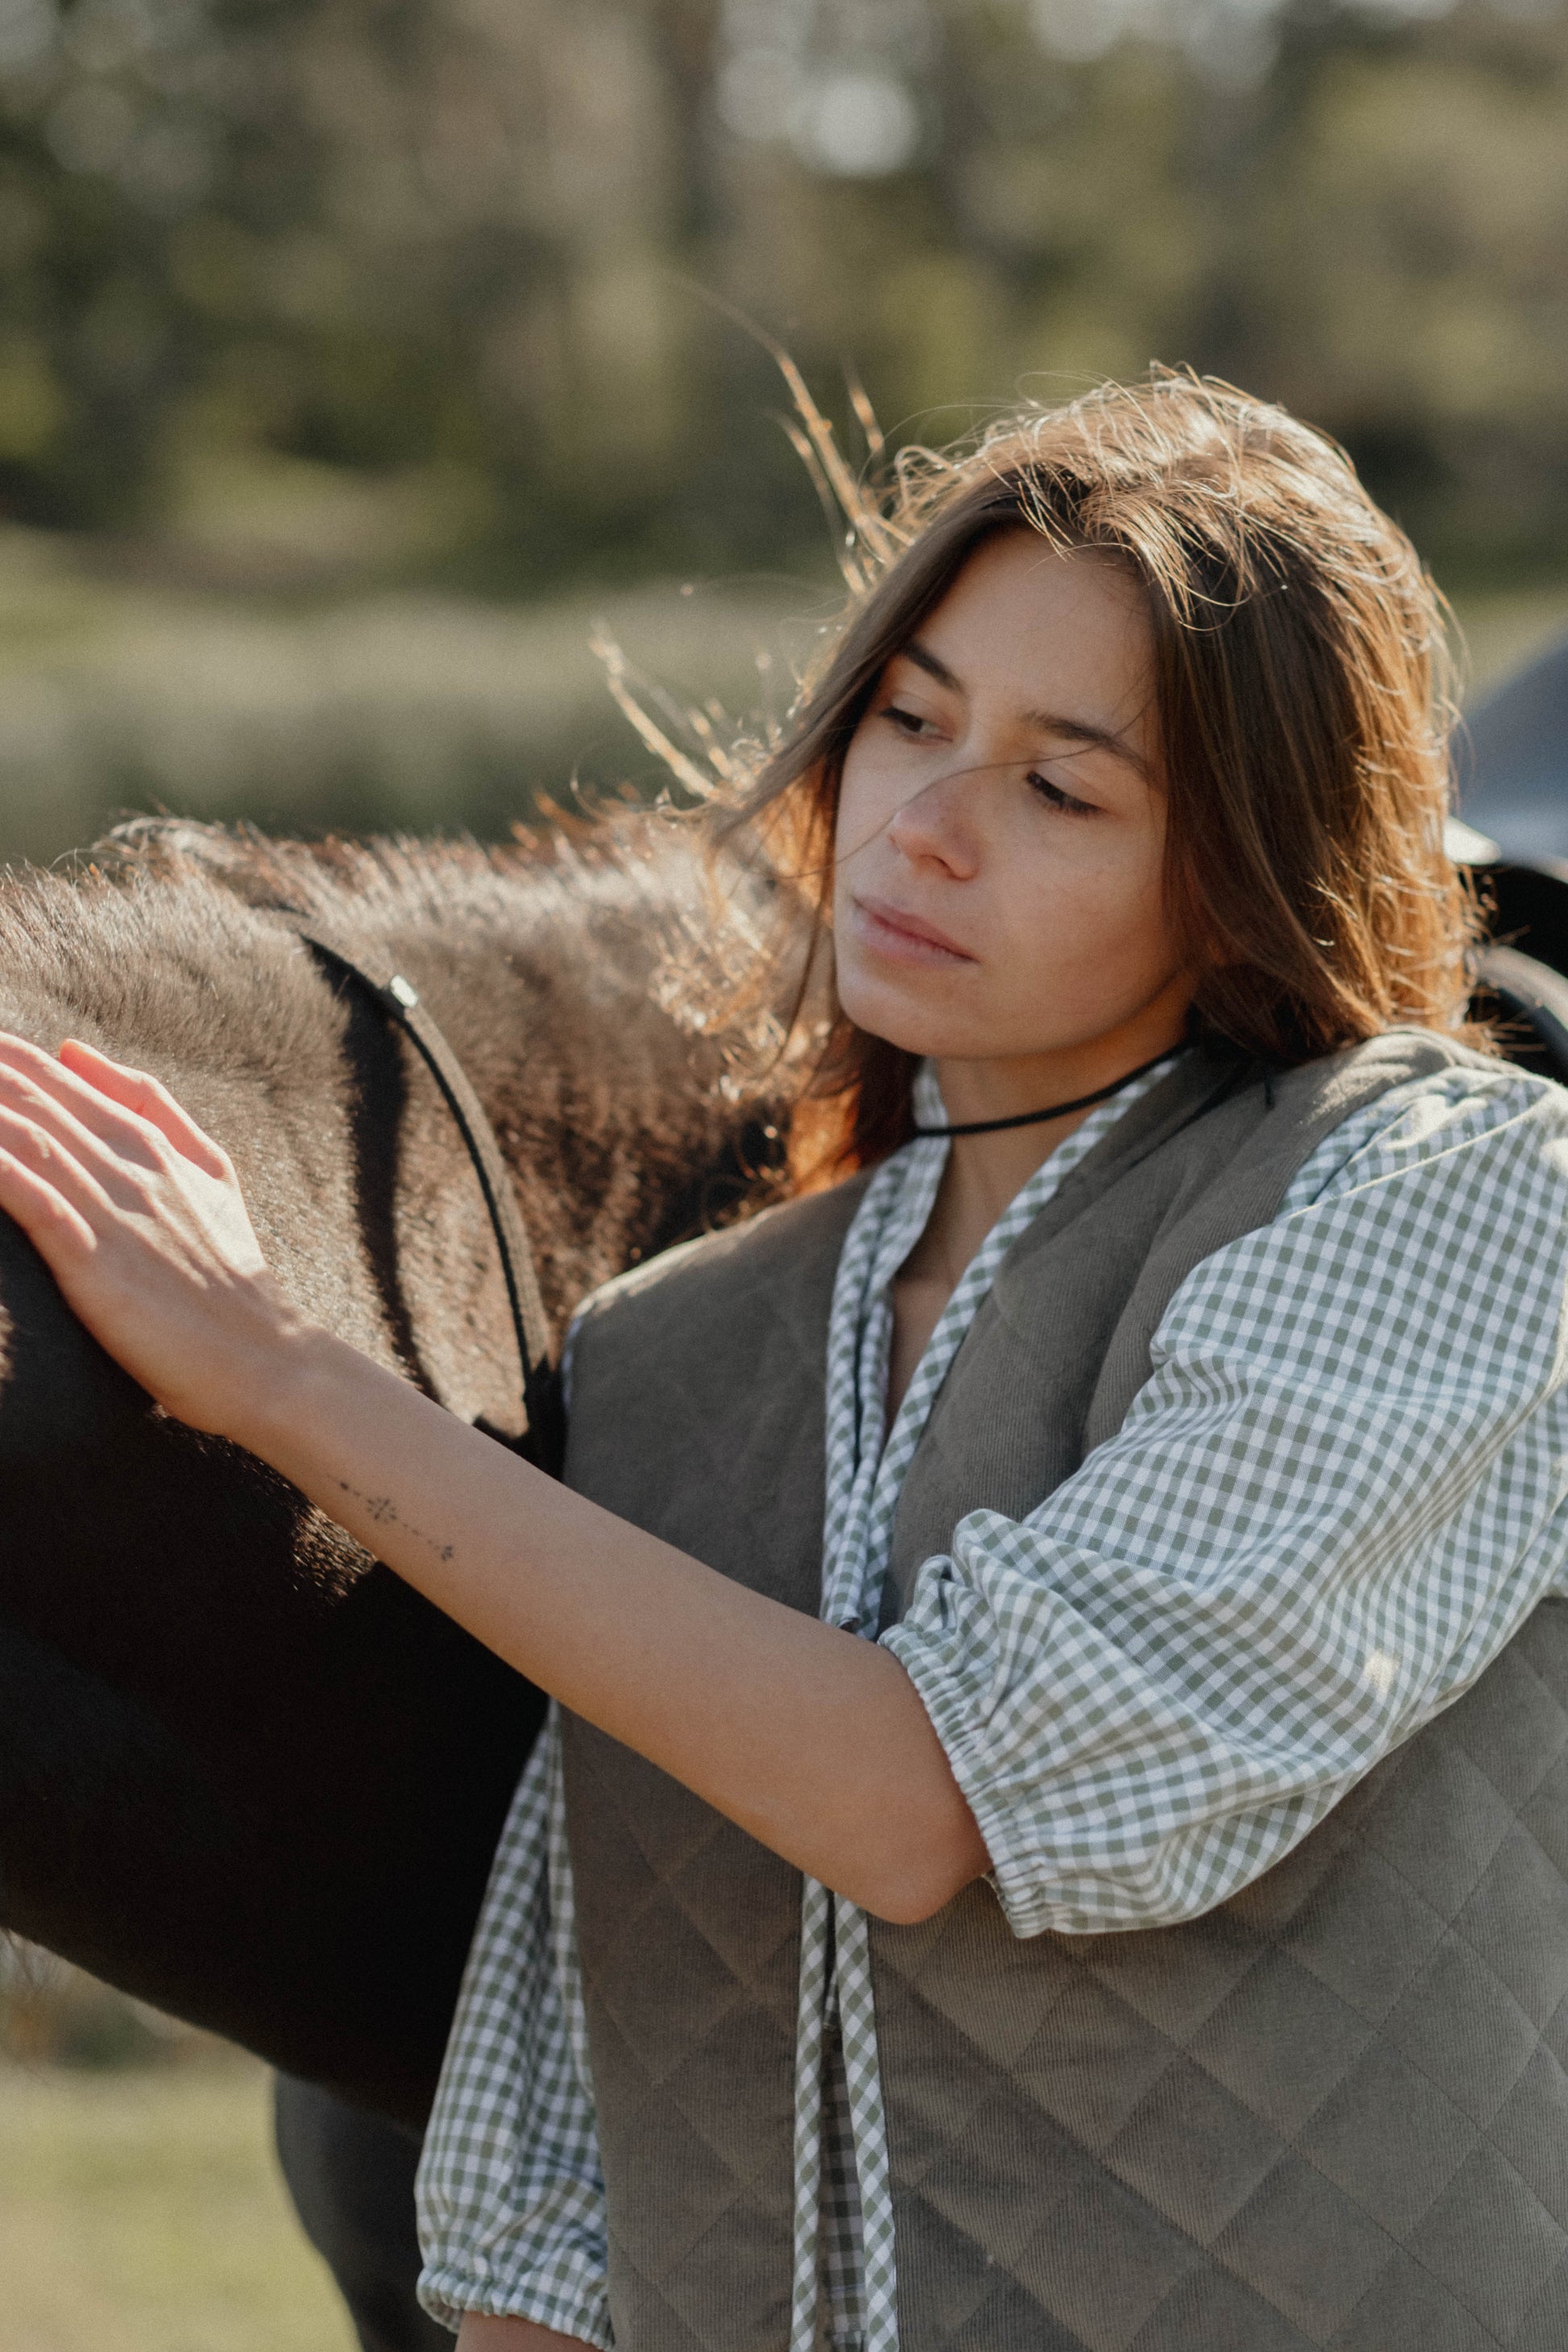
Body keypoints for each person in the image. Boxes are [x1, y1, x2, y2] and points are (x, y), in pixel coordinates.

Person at [3, 373, 1568, 2352]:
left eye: (1059, 787)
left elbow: (940, 1794)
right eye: (910, 718)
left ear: (1244, 862)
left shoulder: (1440, 1197)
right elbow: (548, 2184)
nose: (924, 823)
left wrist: (281, 1372)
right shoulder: (670, 1349)